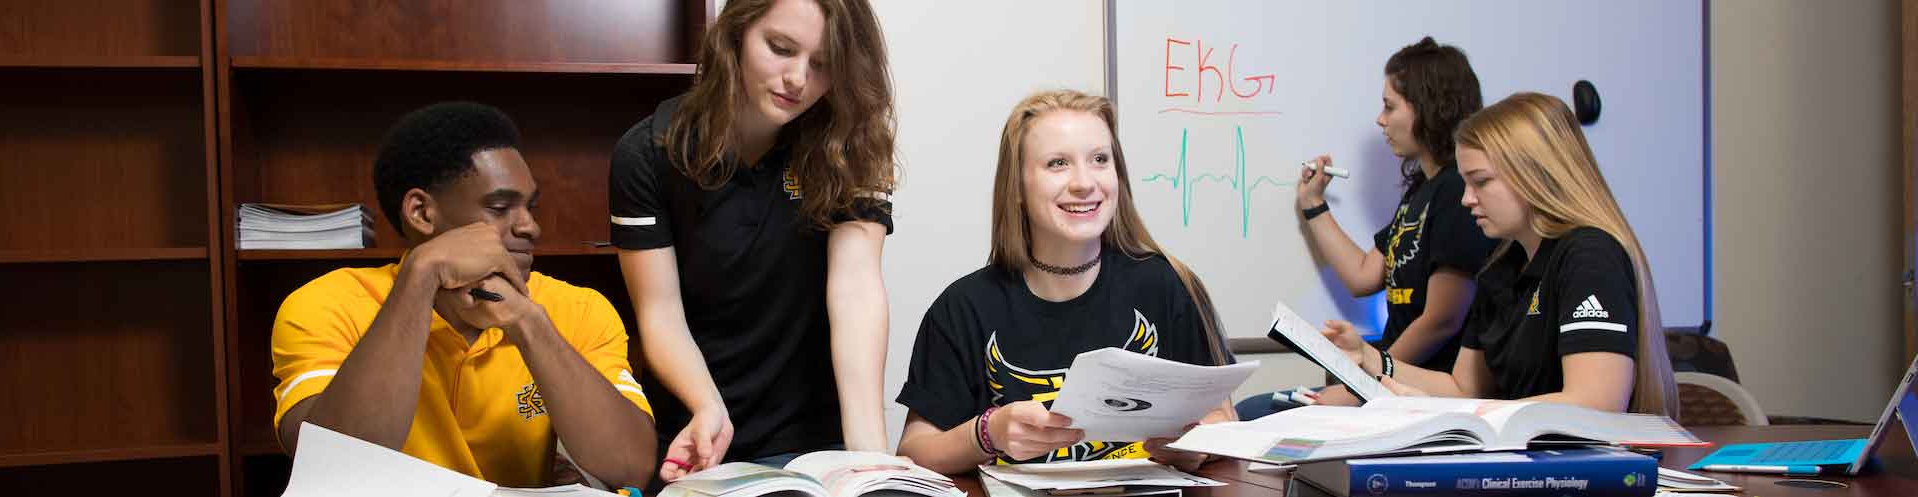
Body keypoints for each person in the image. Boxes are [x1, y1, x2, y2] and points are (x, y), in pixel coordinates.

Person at [271, 102, 658, 488]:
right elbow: (333, 471)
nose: (530, 227)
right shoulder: (326, 304)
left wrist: (528, 322)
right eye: (500, 206)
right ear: (421, 213)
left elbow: (630, 466)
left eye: (530, 206)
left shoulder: (578, 308)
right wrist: (420, 277)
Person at [607, 0, 897, 479]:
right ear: (736, 34)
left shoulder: (851, 143)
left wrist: (870, 458)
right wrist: (708, 409)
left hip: (811, 442)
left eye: (823, 65)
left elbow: (857, 292)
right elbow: (660, 312)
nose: (798, 80)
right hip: (697, 434)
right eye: (781, 49)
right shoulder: (649, 151)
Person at [894, 90, 1234, 475]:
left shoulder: (1168, 284)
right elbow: (915, 452)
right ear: (1017, 188)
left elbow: (1223, 418)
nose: (1084, 183)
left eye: (1100, 160)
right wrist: (987, 433)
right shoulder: (962, 308)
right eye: (1058, 163)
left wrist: (1196, 446)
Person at [1319, 92, 1678, 416]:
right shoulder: (1501, 267)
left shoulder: (1589, 255)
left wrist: (1468, 414)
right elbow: (1463, 388)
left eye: (1482, 182)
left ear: (1535, 174)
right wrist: (1369, 359)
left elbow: (1596, 400)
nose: (1467, 199)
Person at [1243, 37, 1498, 417]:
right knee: (1251, 411)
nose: (1381, 119)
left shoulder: (1458, 193)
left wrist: (1364, 380)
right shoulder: (1420, 193)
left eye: (1389, 106)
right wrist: (1314, 204)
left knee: (1254, 413)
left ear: (1427, 109)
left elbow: (1442, 319)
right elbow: (1364, 276)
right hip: (1384, 380)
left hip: (1418, 390)